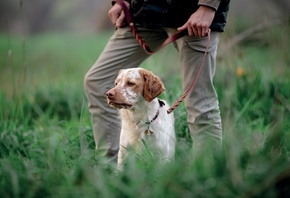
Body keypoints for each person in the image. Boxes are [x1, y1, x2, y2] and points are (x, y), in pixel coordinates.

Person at [84, 0, 230, 160]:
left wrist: (208, 6)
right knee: (98, 82)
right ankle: (111, 170)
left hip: (193, 16)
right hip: (142, 14)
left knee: (200, 101)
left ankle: (210, 176)